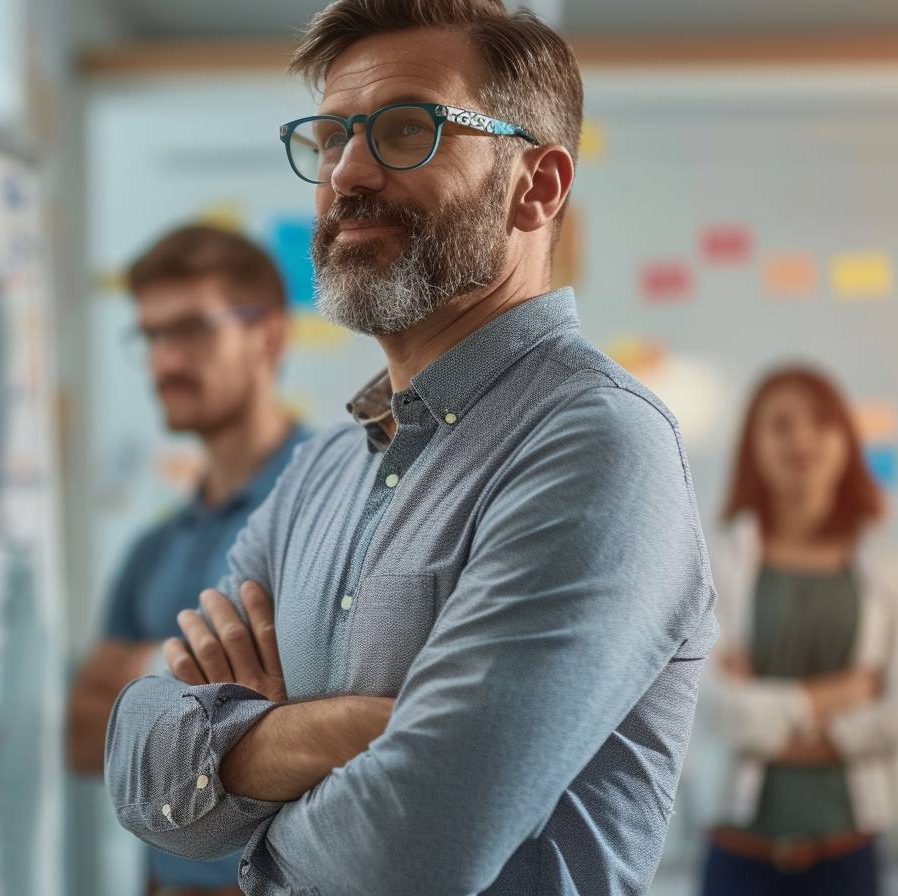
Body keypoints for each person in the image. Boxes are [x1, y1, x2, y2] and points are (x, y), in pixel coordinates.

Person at [103, 1, 720, 893]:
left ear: (537, 185)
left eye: (405, 130)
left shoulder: (597, 444)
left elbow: (415, 850)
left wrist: (243, 804)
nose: (348, 173)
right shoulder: (322, 468)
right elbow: (139, 763)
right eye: (329, 138)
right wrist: (349, 728)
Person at [66, 224, 309, 896]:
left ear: (269, 336)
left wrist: (142, 681)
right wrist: (223, 690)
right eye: (150, 336)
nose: (164, 362)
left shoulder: (337, 498)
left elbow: (345, 724)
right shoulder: (156, 547)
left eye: (192, 330)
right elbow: (88, 737)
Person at [701, 367, 894, 896]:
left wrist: (767, 717)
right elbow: (718, 707)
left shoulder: (885, 567)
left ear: (846, 441)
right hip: (738, 855)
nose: (802, 438)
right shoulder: (716, 564)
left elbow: (894, 714)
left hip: (847, 853)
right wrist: (839, 695)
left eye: (821, 422)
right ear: (753, 446)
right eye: (781, 425)